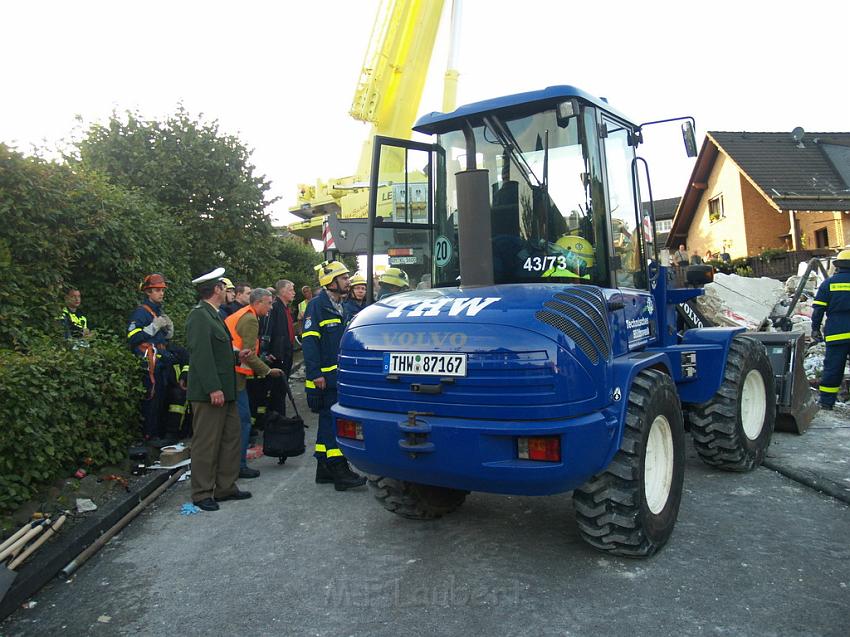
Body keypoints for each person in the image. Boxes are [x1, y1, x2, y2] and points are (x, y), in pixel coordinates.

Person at [185, 267, 252, 511]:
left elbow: (219, 349)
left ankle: (225, 487)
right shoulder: (199, 316)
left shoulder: (213, 314)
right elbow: (201, 356)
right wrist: (213, 388)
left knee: (230, 438)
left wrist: (236, 355)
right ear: (216, 290)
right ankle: (202, 493)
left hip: (227, 391)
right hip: (210, 394)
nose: (227, 292)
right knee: (206, 443)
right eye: (224, 288)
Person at [303, 260, 366, 490]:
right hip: (326, 378)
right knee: (333, 422)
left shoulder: (341, 306)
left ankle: (323, 469)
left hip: (339, 376)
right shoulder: (317, 306)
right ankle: (340, 472)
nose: (348, 282)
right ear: (331, 282)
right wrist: (315, 374)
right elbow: (310, 343)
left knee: (327, 421)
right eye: (344, 278)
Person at [224, 288, 284, 478]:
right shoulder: (250, 319)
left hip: (230, 372)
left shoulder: (243, 314)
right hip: (235, 376)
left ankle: (232, 464)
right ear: (258, 303)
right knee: (243, 422)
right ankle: (239, 466)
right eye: (269, 303)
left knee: (236, 421)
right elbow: (248, 354)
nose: (271, 307)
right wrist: (267, 370)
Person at [127, 273, 176, 445]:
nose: (161, 293)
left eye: (162, 290)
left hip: (161, 361)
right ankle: (150, 436)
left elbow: (162, 338)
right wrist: (153, 327)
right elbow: (132, 337)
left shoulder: (158, 311)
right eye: (157, 290)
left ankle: (159, 434)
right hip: (150, 363)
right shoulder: (141, 312)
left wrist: (168, 331)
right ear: (148, 292)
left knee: (162, 398)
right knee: (151, 400)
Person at [811, 249, 850, 410]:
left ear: (838, 265)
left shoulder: (828, 284)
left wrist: (815, 329)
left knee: (833, 369)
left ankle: (826, 403)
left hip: (836, 334)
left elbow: (818, 310)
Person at [264, 279, 296, 417]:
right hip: (278, 355)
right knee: (277, 389)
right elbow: (267, 330)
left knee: (282, 388)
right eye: (291, 289)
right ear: (282, 291)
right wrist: (267, 351)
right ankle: (277, 419)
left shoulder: (285, 308)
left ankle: (279, 417)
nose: (294, 292)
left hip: (286, 353)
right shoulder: (275, 307)